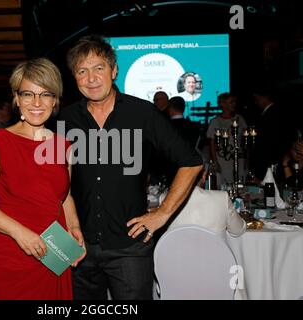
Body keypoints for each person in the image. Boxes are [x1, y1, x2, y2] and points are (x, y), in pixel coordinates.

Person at [60, 34, 203, 300]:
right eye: (82, 71)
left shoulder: (142, 113)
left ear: (114, 71)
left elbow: (191, 162)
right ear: (75, 78)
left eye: (98, 68)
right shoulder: (65, 120)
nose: (91, 78)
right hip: (78, 246)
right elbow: (57, 181)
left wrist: (161, 214)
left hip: (129, 248)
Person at [0, 58, 86, 300]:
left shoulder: (62, 146)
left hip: (54, 252)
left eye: (45, 94)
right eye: (28, 94)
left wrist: (73, 227)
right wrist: (20, 233)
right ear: (17, 98)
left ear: (55, 100)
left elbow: (64, 196)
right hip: (11, 255)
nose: (37, 103)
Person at [206, 93, 247, 186]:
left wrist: (246, 160)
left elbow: (245, 140)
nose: (234, 104)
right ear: (223, 104)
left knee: (240, 183)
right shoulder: (215, 122)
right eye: (231, 102)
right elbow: (212, 143)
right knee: (225, 185)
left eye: (234, 102)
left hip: (239, 158)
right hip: (223, 159)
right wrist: (215, 162)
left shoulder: (240, 119)